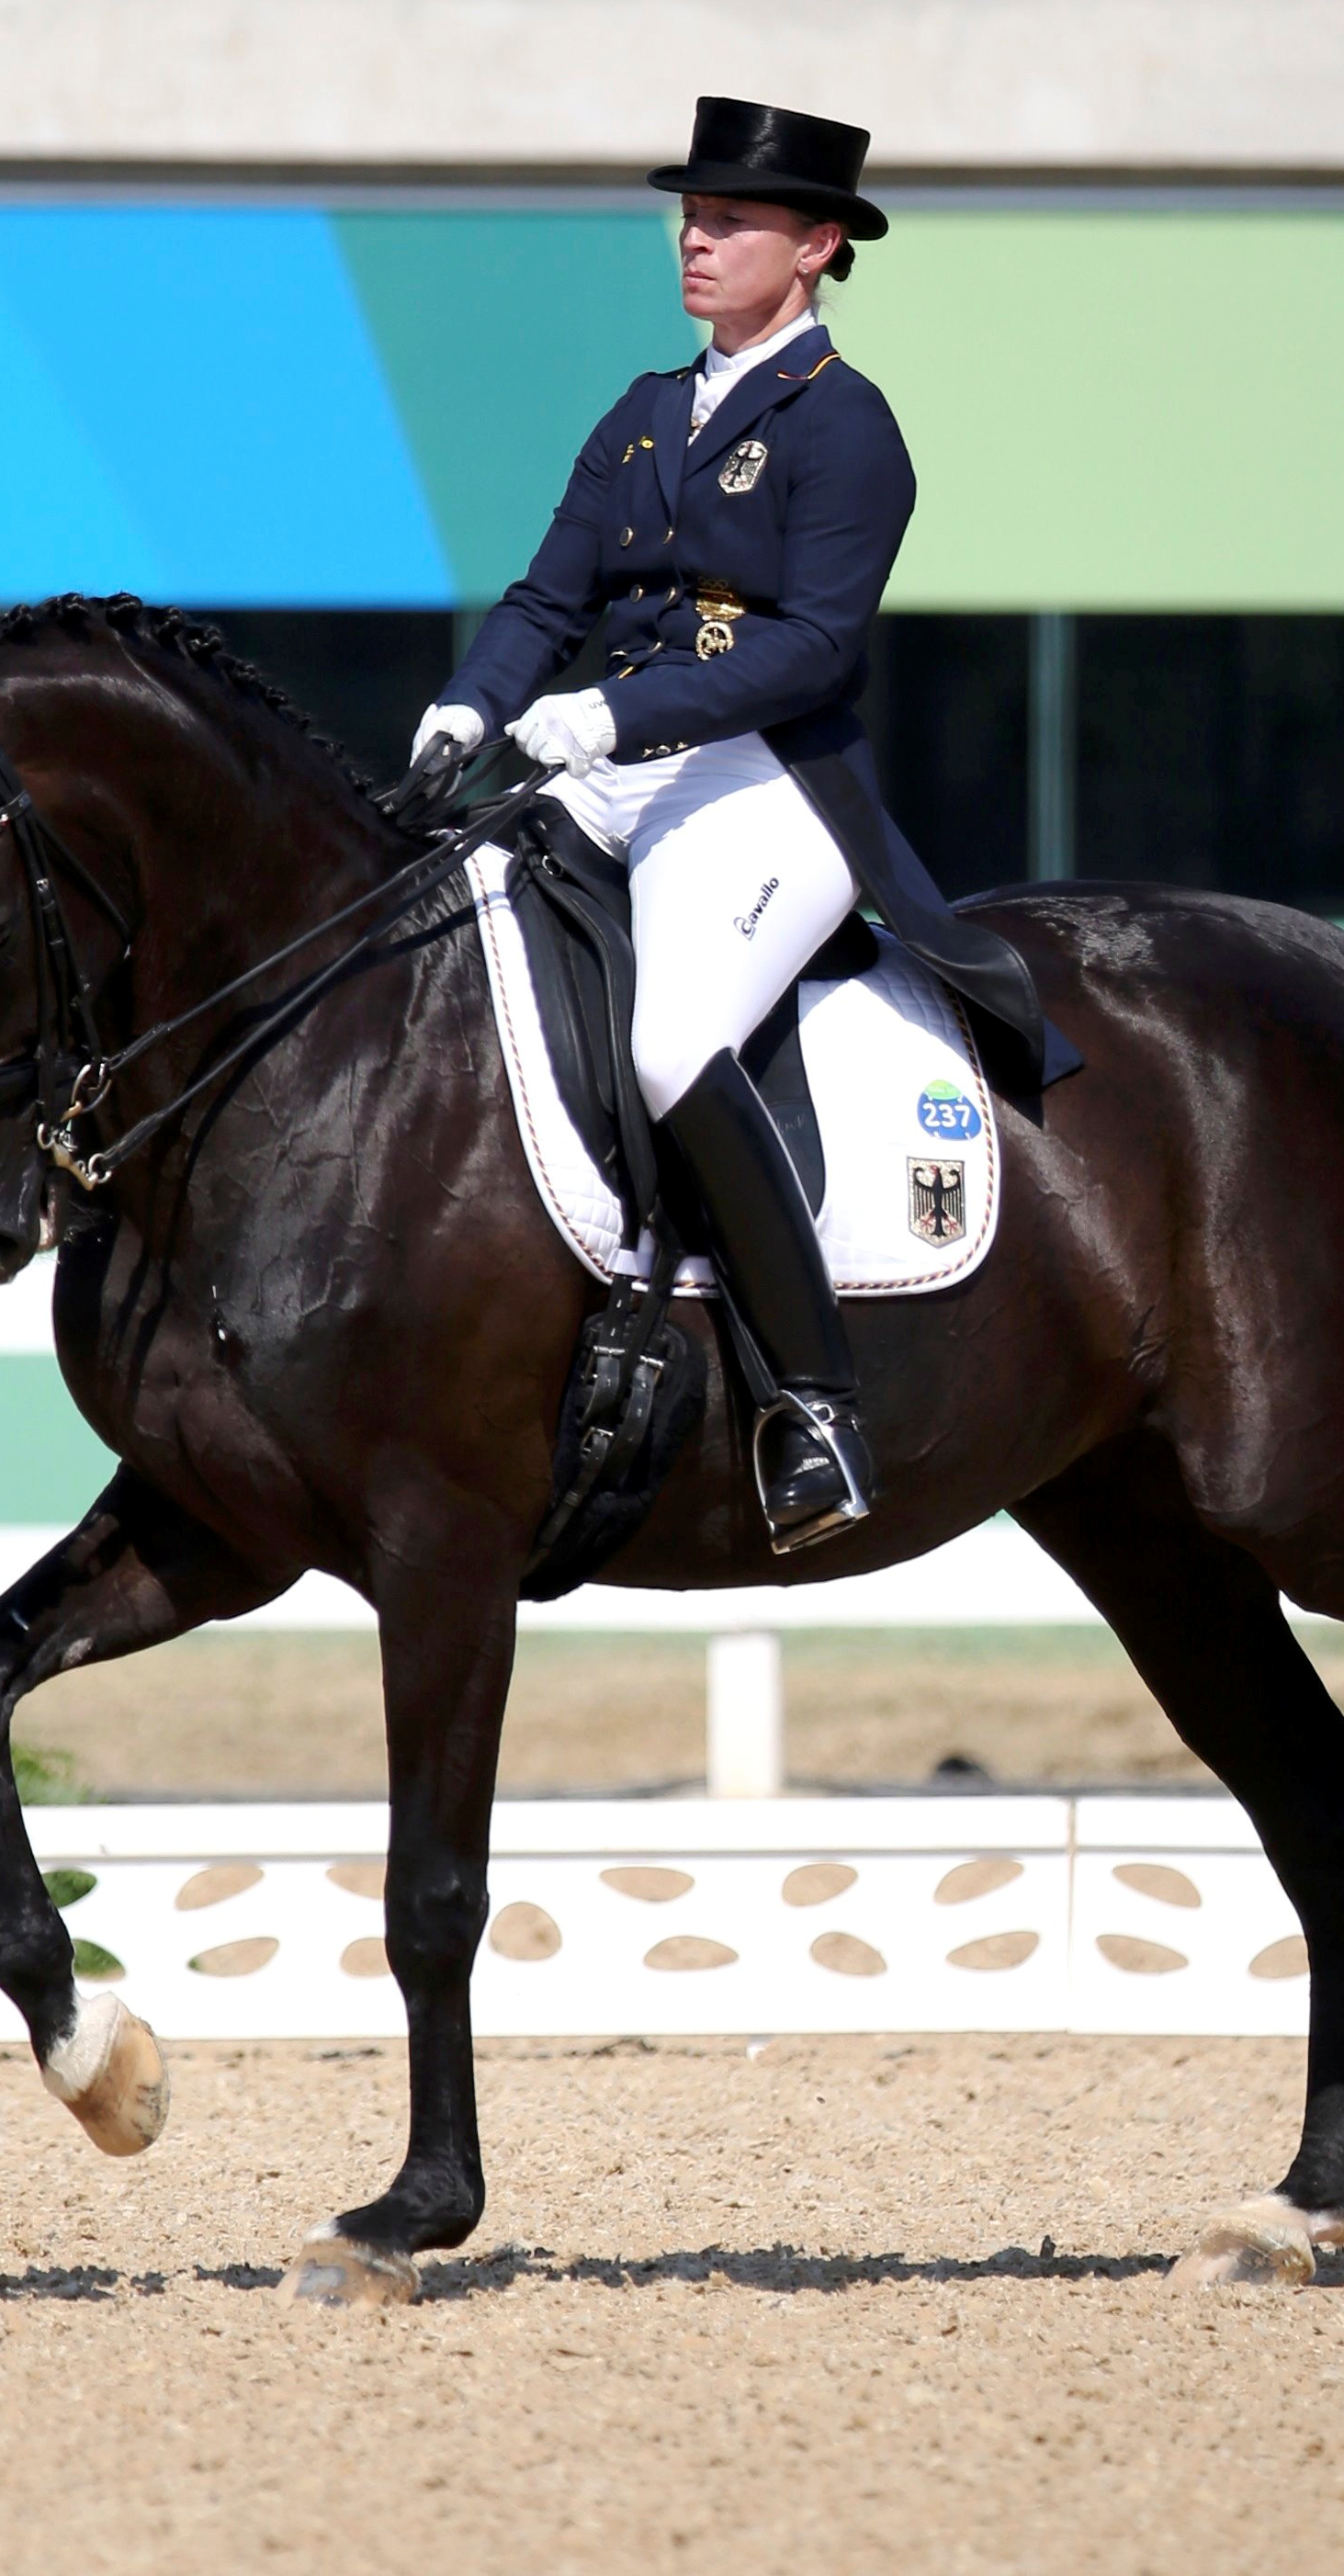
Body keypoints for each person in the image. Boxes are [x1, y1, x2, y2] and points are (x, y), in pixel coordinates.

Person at [413, 95, 1070, 1553]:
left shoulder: (847, 426)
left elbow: (817, 647)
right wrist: (470, 709)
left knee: (669, 1040)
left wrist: (618, 716)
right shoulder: (645, 411)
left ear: (818, 246)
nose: (697, 243)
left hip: (768, 780)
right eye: (691, 219)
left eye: (733, 224)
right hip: (614, 765)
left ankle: (816, 1404)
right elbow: (545, 602)